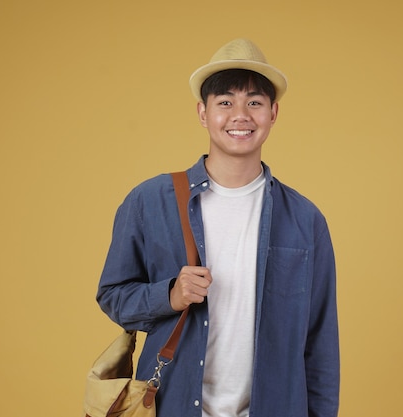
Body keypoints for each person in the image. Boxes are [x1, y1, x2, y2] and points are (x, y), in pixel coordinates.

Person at [97, 38, 339, 417]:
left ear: (273, 113)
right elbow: (113, 295)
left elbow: (320, 342)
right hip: (171, 407)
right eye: (225, 102)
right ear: (203, 113)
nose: (240, 115)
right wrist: (170, 295)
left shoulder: (306, 220)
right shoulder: (150, 201)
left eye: (254, 103)